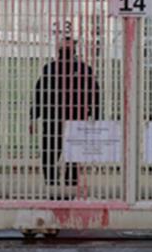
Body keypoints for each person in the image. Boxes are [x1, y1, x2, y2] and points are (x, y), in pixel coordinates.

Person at [30, 36, 100, 188]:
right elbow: (40, 92)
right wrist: (33, 116)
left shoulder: (77, 69)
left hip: (63, 115)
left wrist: (34, 116)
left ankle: (60, 184)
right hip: (63, 115)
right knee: (59, 151)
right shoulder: (75, 69)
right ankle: (61, 184)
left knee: (61, 151)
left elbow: (93, 92)